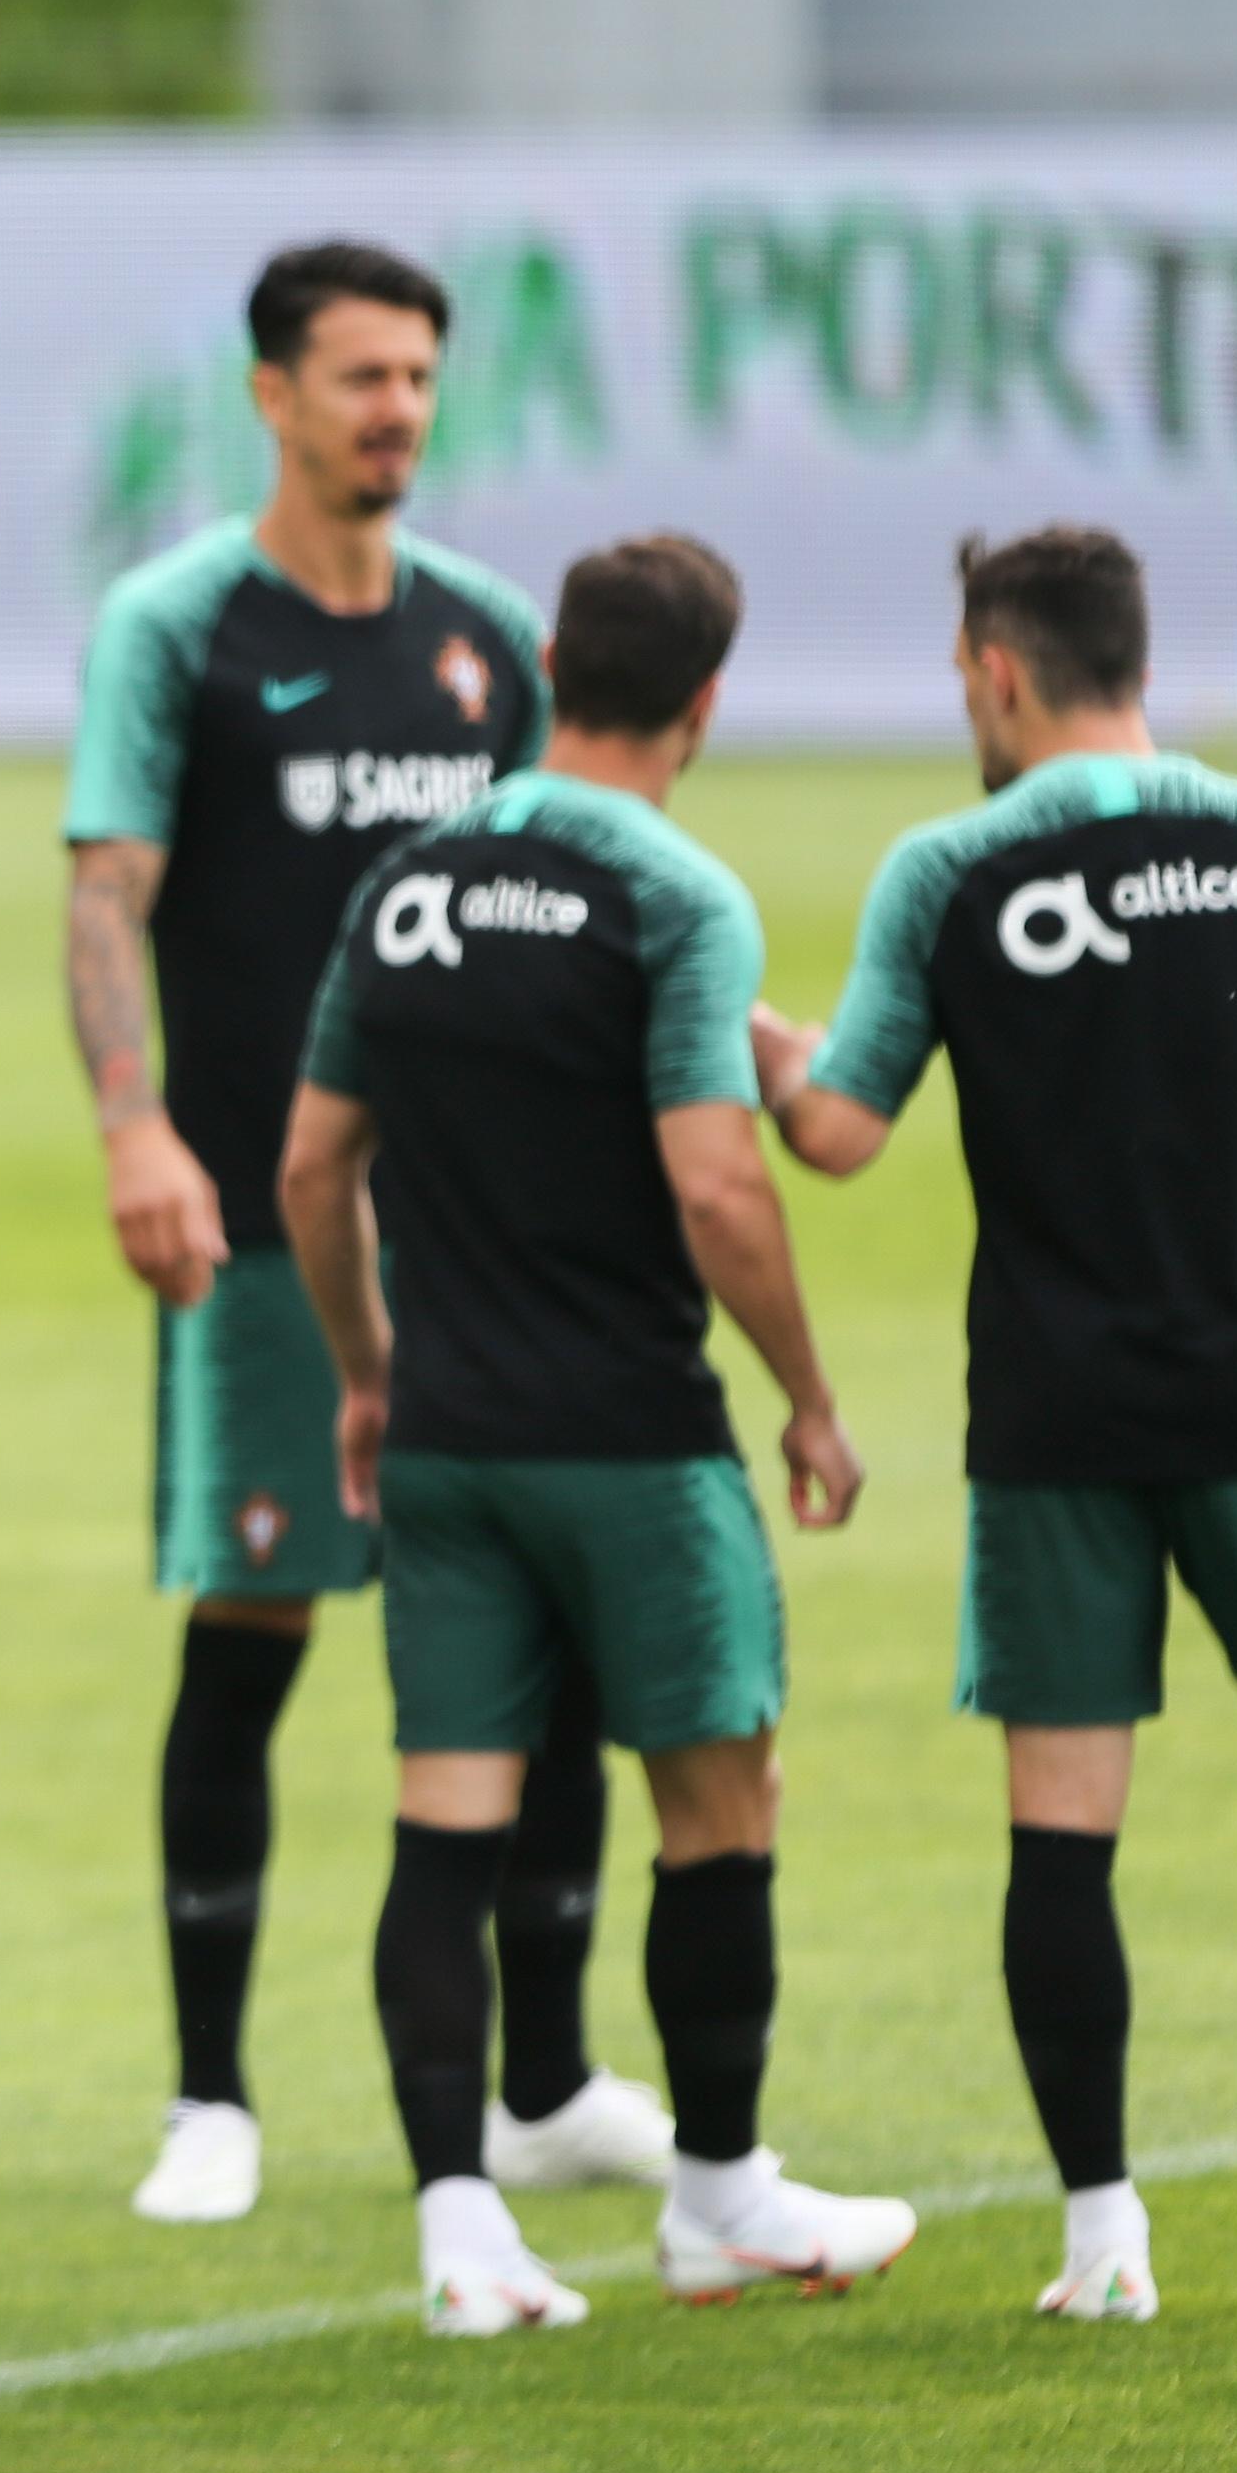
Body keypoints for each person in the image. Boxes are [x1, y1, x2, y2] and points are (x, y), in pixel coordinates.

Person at [67, 238, 668, 2223]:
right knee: (253, 1629)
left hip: (490, 1233)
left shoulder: (489, 637)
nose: (396, 408)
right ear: (272, 394)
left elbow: (589, 875)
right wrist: (135, 1121)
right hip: (257, 1219)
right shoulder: (180, 626)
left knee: (549, 1624)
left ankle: (549, 2075)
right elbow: (107, 894)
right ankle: (209, 2096)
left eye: (418, 376)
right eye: (358, 377)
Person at [759, 525, 1237, 2320]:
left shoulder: (949, 872)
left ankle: (1099, 2240)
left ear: (992, 669)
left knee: (1062, 1827)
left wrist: (732, 1027)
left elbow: (838, 1132)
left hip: (1051, 1416)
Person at [279, 537, 916, 2333]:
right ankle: (715, 2199)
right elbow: (719, 1186)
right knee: (721, 1803)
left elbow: (313, 1167)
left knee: (444, 1825)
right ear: (705, 703)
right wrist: (802, 1392)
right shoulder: (675, 895)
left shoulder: (402, 884)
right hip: (632, 1437)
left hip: (450, 1438)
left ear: (551, 662)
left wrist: (363, 1370)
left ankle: (460, 2238)